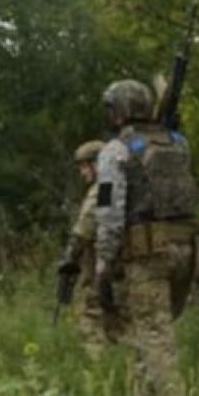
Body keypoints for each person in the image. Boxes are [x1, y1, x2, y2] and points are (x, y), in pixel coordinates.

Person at [93, 79, 199, 396]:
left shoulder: (115, 151)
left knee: (153, 335)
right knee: (150, 332)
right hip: (186, 251)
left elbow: (108, 210)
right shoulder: (178, 143)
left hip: (146, 254)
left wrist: (103, 262)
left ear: (119, 112)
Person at [58, 139, 114, 358]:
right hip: (118, 263)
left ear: (98, 164)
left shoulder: (104, 188)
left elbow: (85, 227)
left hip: (102, 264)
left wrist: (69, 257)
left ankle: (98, 366)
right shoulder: (121, 186)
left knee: (90, 315)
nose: (82, 173)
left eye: (84, 166)